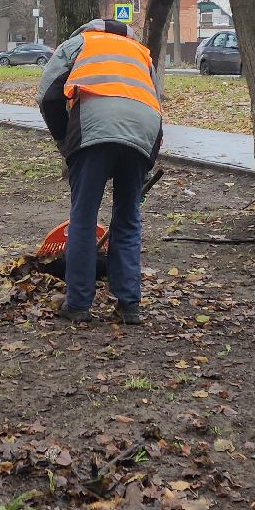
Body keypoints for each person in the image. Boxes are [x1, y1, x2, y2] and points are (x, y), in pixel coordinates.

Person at [37, 18, 163, 325]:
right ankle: (129, 305)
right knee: (128, 218)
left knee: (83, 217)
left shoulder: (79, 43)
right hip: (143, 132)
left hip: (93, 129)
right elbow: (154, 104)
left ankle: (78, 304)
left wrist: (65, 142)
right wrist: (146, 163)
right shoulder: (141, 54)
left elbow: (48, 95)